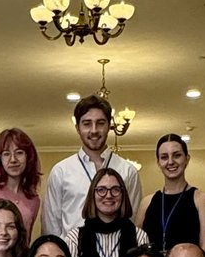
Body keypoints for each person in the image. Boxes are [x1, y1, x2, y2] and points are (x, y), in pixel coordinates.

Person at [41, 95, 143, 238]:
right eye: (87, 123)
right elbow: (51, 226)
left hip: (117, 256)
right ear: (77, 127)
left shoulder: (127, 171)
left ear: (109, 125)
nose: (94, 130)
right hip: (72, 256)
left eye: (100, 123)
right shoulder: (61, 171)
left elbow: (132, 219)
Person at [137, 135, 205, 257]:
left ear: (187, 159)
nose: (170, 161)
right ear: (158, 162)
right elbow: (137, 247)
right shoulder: (146, 202)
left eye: (177, 155)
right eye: (164, 157)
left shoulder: (201, 199)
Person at [0, 128, 42, 239]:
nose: (13, 160)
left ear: (28, 157)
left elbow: (27, 239)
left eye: (19, 153)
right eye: (6, 154)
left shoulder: (33, 200)